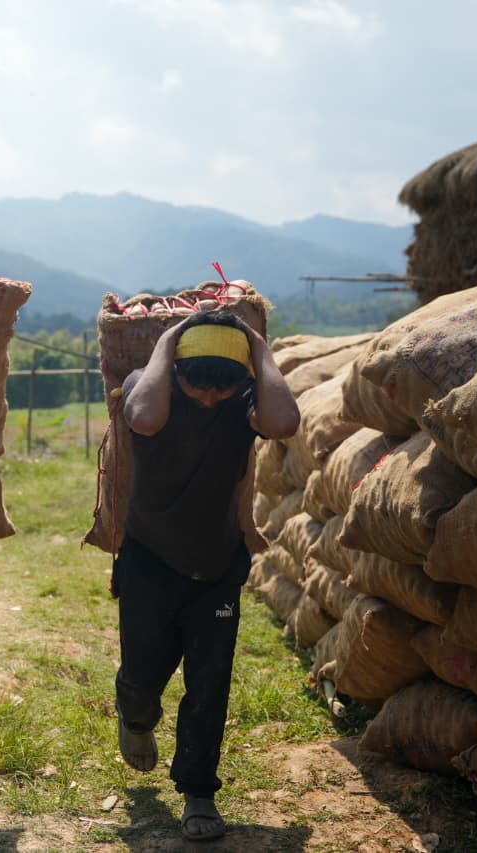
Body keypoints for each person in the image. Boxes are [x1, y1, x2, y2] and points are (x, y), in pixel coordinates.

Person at [113, 308, 300, 842]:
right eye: (198, 384)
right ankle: (136, 713)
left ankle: (199, 791)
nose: (208, 398)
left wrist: (258, 349)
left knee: (209, 681)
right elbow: (144, 419)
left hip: (218, 563)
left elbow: (285, 423)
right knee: (144, 673)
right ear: (175, 368)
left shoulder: (246, 403)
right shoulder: (146, 389)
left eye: (223, 387)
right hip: (150, 558)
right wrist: (170, 340)